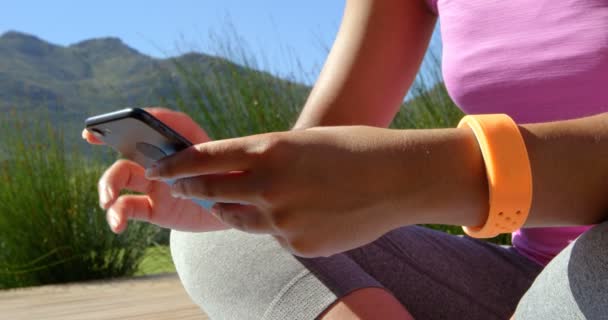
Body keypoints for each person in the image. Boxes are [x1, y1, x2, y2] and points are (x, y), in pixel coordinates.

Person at [83, 0, 607, 319]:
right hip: (524, 286)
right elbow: (317, 151)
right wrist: (234, 189)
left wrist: (415, 177)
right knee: (226, 243)